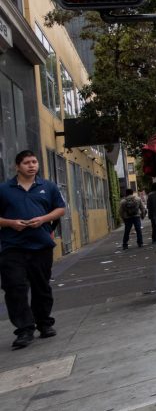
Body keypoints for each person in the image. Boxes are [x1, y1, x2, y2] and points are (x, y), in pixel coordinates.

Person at [0, 150, 67, 350]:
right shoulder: (4, 189)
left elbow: (61, 209)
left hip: (40, 245)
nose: (32, 165)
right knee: (14, 287)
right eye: (27, 162)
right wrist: (11, 223)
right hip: (12, 246)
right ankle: (24, 330)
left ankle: (44, 323)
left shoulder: (48, 186)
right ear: (17, 166)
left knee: (41, 286)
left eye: (34, 162)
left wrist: (43, 219)